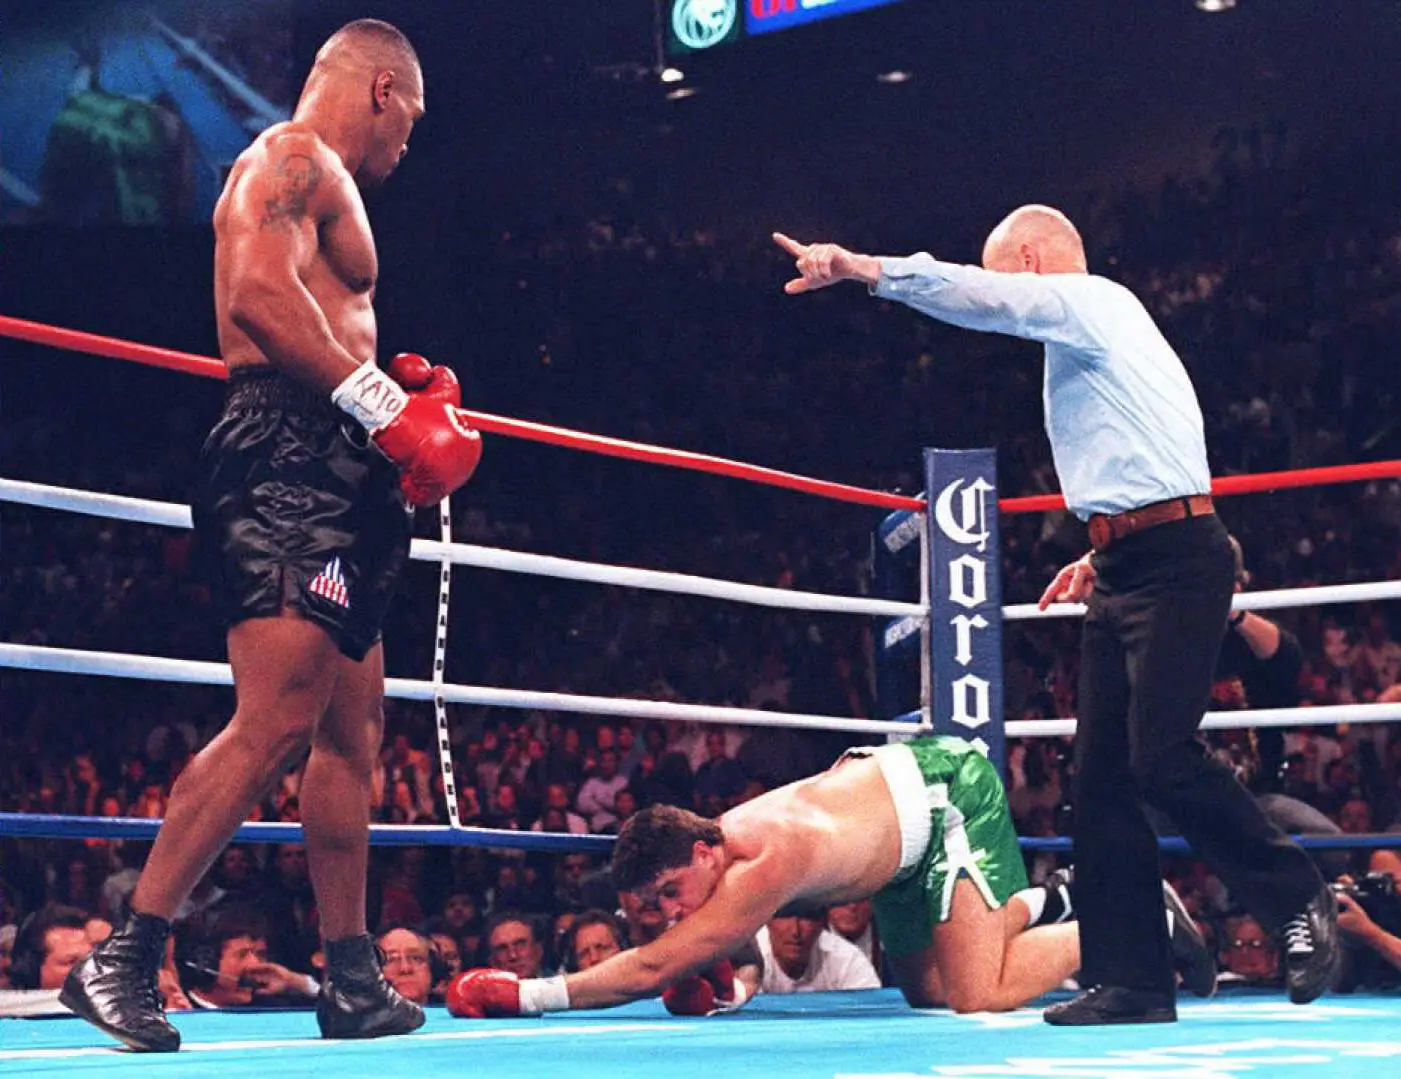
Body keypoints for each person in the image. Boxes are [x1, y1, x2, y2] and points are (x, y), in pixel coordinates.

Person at [766, 208, 1338, 1024]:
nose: (1001, 289)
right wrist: (1103, 538)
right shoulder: (1094, 337)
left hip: (1176, 558)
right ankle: (1135, 977)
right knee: (1098, 783)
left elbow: (981, 297)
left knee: (1162, 755)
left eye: (1005, 272)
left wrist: (866, 267)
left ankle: (1297, 897)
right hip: (1126, 559)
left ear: (1030, 260)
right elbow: (1140, 451)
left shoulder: (1089, 300)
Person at [61, 18, 481, 1053]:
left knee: (351, 732)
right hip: (288, 455)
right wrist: (385, 402)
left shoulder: (325, 181)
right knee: (280, 712)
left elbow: (321, 316)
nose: (409, 147)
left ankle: (350, 977)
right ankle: (122, 954)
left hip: (341, 466)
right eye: (412, 121)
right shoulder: (290, 156)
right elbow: (257, 292)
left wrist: (393, 404)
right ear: (382, 89)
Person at [444, 735, 1212, 1019]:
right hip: (895, 837)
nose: (671, 912)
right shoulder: (722, 853)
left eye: (670, 893)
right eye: (658, 904)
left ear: (702, 853)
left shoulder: (761, 861)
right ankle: (1054, 896)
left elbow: (654, 966)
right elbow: (706, 947)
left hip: (947, 798)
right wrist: (731, 986)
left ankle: (1137, 917)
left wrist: (529, 993)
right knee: (929, 992)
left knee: (978, 996)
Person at [757, 906, 881, 994]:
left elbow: (873, 1013)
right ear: (767, 921)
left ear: (821, 924)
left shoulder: (846, 958)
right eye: (785, 917)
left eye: (806, 918)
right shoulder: (750, 956)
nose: (795, 931)